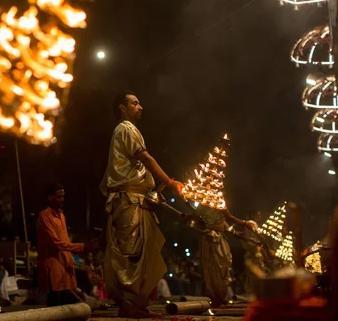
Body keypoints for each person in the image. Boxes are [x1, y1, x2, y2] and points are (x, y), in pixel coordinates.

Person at [99, 90, 184, 318]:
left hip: (136, 199)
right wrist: (170, 181)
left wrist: (153, 191)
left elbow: (137, 169)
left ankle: (136, 302)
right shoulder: (126, 129)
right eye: (135, 103)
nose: (141, 107)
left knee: (142, 252)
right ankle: (128, 304)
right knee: (130, 252)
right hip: (128, 201)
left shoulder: (128, 131)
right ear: (122, 108)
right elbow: (146, 159)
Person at [196, 205, 255, 307]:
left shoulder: (218, 200)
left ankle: (221, 296)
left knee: (223, 267)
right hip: (207, 239)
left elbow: (225, 219)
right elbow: (195, 218)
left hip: (219, 238)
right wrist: (245, 223)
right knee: (209, 267)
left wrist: (234, 232)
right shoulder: (202, 203)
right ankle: (214, 297)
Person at [37, 183, 84, 307]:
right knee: (54, 306)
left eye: (63, 196)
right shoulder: (44, 216)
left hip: (64, 266)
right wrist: (81, 247)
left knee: (65, 307)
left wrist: (70, 260)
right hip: (53, 267)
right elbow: (56, 243)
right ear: (50, 198)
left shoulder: (62, 216)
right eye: (59, 197)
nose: (62, 199)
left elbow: (65, 240)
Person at [243, 210, 264, 294]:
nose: (259, 217)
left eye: (260, 215)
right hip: (254, 248)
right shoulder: (252, 223)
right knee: (256, 270)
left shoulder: (251, 223)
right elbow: (256, 237)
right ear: (252, 215)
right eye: (257, 215)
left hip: (252, 247)